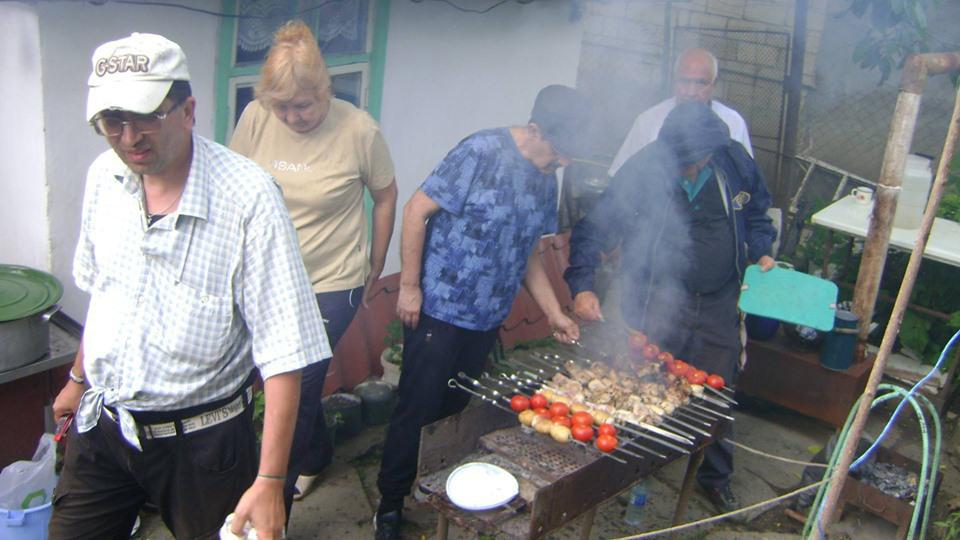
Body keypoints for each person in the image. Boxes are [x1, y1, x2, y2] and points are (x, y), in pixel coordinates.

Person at [49, 33, 331, 540]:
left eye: (146, 117)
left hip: (205, 445)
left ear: (188, 111)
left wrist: (270, 481)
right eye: (112, 121)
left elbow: (285, 353)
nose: (129, 138)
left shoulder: (248, 198)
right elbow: (105, 294)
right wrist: (77, 377)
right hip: (106, 425)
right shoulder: (105, 177)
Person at [373, 85, 588, 540]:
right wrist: (409, 287)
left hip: (486, 318)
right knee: (417, 409)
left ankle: (432, 487)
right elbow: (415, 211)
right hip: (439, 309)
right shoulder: (480, 151)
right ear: (535, 130)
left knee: (453, 410)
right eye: (558, 151)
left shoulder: (545, 178)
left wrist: (554, 312)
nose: (562, 162)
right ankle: (389, 504)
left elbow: (529, 255)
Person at [564, 102, 776, 515]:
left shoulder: (733, 161)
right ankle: (633, 474)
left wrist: (763, 249)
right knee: (644, 383)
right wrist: (583, 284)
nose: (691, 169)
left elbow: (757, 215)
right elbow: (596, 227)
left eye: (698, 161)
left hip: (718, 299)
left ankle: (714, 478)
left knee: (717, 391)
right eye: (683, 163)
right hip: (655, 299)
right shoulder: (643, 170)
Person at [229, 20, 398, 511]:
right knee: (287, 381)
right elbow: (233, 186)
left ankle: (272, 504)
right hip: (265, 275)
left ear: (324, 90)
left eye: (303, 105)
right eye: (282, 107)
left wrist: (376, 261)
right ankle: (317, 454)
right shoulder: (257, 118)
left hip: (331, 279)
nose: (292, 117)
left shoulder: (359, 130)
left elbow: (385, 195)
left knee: (296, 385)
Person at [608, 48, 753, 176]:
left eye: (701, 83)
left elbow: (745, 177)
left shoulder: (733, 122)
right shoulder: (647, 121)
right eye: (684, 81)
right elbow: (620, 177)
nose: (691, 92)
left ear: (714, 84)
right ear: (674, 80)